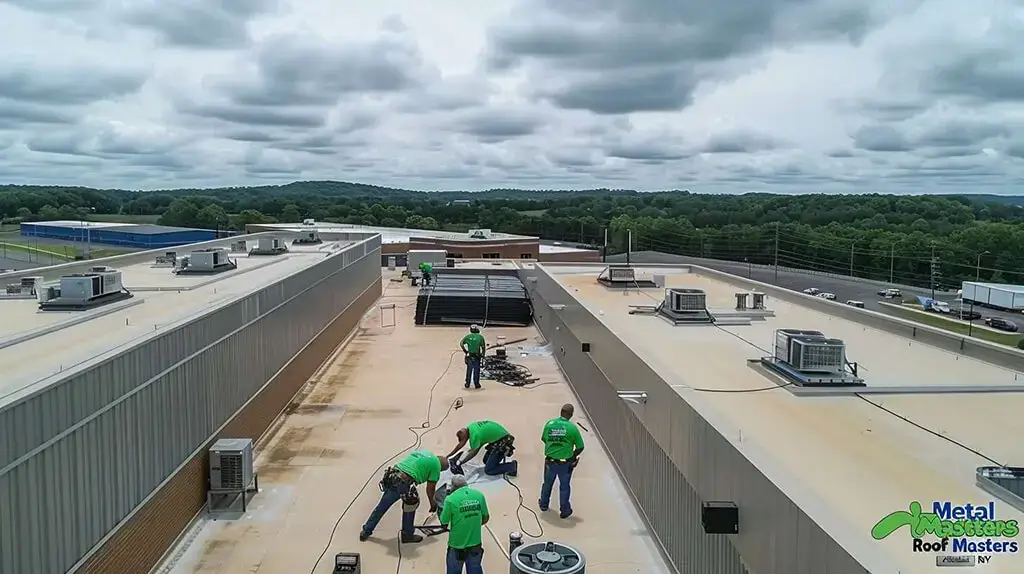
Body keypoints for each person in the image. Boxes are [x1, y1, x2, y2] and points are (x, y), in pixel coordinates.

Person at [360, 449, 448, 543]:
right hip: (404, 482)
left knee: (382, 506)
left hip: (393, 475)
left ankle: (366, 531)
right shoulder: (436, 466)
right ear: (441, 468)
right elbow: (430, 489)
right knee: (410, 507)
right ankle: (407, 535)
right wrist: (433, 504)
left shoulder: (425, 452)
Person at [539, 404, 584, 519]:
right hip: (565, 463)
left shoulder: (549, 424)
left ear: (561, 412)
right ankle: (565, 510)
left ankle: (543, 504)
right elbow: (580, 446)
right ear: (571, 414)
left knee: (547, 483)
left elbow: (544, 439)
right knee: (564, 486)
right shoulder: (572, 428)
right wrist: (573, 456)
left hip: (550, 461)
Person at [439, 474, 488, 574]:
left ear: (453, 487)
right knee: (475, 569)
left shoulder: (450, 499)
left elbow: (444, 522)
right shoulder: (479, 495)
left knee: (454, 571)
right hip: (475, 543)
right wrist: (472, 524)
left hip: (457, 545)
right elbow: (486, 518)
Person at [447, 420, 518, 477]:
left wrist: (461, 463)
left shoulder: (475, 436)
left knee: (489, 470)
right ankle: (496, 461)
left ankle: (511, 466)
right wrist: (450, 454)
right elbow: (461, 444)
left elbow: (474, 452)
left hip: (503, 441)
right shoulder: (471, 427)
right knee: (486, 461)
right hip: (499, 437)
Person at [460, 325, 485, 389]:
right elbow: (483, 347)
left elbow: (461, 344)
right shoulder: (480, 337)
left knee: (469, 370)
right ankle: (476, 384)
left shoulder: (468, 337)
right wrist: (483, 355)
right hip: (477, 356)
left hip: (470, 355)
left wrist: (465, 351)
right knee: (476, 370)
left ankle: (467, 383)